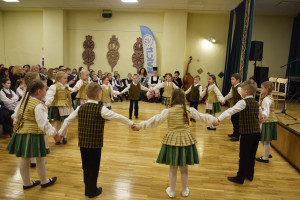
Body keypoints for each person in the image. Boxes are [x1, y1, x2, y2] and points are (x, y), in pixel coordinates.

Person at [135, 89, 217, 198]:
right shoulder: (189, 110)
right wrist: (214, 120)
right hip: (186, 141)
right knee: (184, 168)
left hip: (172, 141)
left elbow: (154, 121)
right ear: (184, 99)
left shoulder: (168, 111)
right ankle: (184, 191)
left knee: (173, 168)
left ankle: (172, 191)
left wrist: (140, 125)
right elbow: (202, 117)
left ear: (172, 99)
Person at [58, 82, 135, 198]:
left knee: (86, 166)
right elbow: (117, 117)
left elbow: (67, 121)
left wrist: (60, 133)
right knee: (94, 167)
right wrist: (131, 124)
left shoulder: (80, 108)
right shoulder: (101, 109)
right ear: (99, 95)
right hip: (95, 144)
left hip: (83, 143)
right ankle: (92, 190)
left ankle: (87, 188)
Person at [6, 79, 59, 189]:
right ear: (39, 91)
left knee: (24, 160)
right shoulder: (38, 105)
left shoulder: (25, 100)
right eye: (45, 89)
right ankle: (44, 181)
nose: (47, 90)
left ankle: (27, 183)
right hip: (33, 133)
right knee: (40, 159)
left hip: (21, 132)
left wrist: (15, 119)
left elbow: (17, 113)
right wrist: (54, 133)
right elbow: (43, 123)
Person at [216, 79, 261, 184]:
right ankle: (250, 175)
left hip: (247, 134)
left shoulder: (243, 102)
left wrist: (218, 119)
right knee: (251, 155)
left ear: (246, 91)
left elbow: (230, 110)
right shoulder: (256, 102)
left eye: (242, 90)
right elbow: (261, 114)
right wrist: (262, 116)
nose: (240, 91)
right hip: (257, 133)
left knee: (243, 156)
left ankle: (240, 177)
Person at [45, 71, 74, 145]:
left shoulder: (66, 86)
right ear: (59, 79)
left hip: (65, 105)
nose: (66, 79)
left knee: (66, 122)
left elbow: (72, 90)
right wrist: (47, 103)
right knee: (57, 122)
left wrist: (75, 89)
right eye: (64, 78)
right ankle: (57, 138)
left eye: (66, 78)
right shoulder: (54, 86)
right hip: (57, 106)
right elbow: (49, 95)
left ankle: (64, 136)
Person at [256, 81, 277, 163]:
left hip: (268, 121)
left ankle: (265, 158)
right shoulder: (269, 97)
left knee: (265, 140)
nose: (261, 89)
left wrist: (263, 116)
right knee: (263, 138)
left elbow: (266, 110)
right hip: (269, 120)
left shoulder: (267, 99)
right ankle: (267, 153)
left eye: (262, 88)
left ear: (267, 89)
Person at [222, 73, 242, 141]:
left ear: (238, 80)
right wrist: (223, 99)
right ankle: (234, 133)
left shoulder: (239, 87)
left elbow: (243, 96)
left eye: (233, 79)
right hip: (235, 106)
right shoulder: (233, 87)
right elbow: (230, 95)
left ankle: (237, 136)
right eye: (231, 79)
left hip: (239, 107)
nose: (231, 80)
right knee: (233, 119)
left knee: (236, 120)